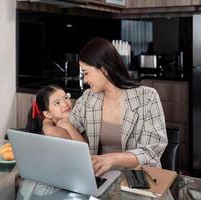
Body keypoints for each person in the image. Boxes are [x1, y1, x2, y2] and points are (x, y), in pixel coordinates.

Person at [69, 37, 168, 177]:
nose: (85, 80)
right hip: (99, 177)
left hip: (139, 177)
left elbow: (152, 152)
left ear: (104, 70)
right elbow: (67, 132)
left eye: (86, 73)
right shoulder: (88, 97)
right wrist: (49, 124)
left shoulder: (147, 97)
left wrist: (111, 159)